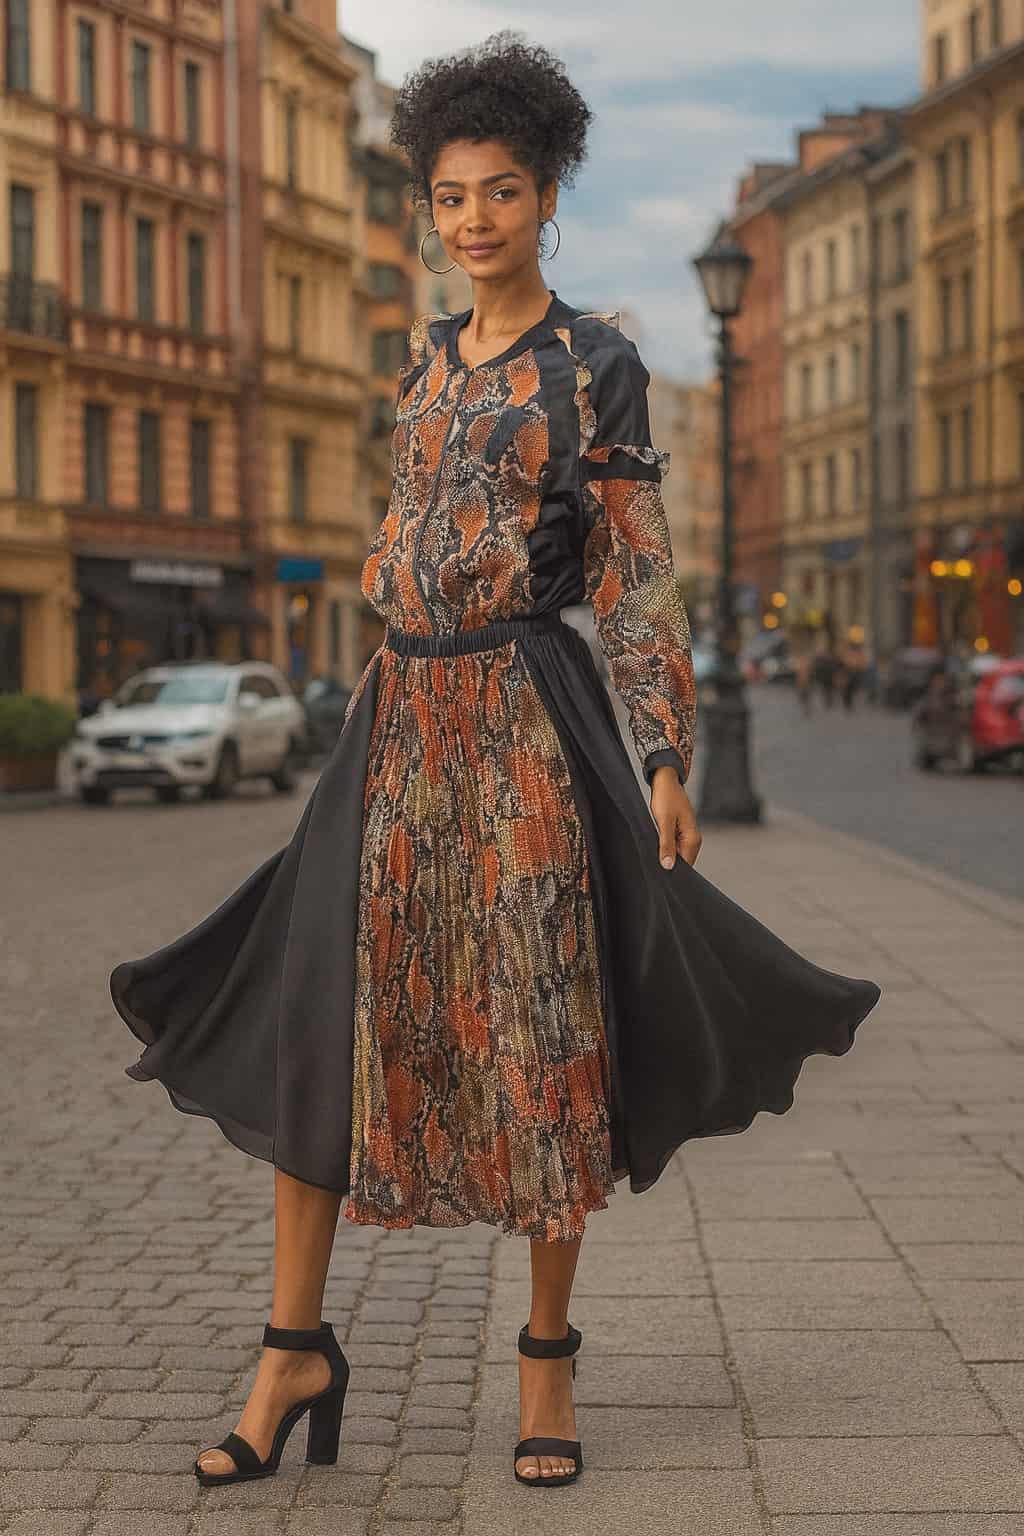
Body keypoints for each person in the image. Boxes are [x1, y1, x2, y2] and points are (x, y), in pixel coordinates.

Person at [108, 30, 881, 1496]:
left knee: (544, 1029)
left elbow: (638, 579)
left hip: (525, 727)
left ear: (548, 196)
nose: (473, 221)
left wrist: (661, 750)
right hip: (396, 728)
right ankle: (290, 1351)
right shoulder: (415, 364)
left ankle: (544, 1365)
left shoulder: (598, 368)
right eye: (450, 198)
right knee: (327, 1018)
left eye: (502, 192)